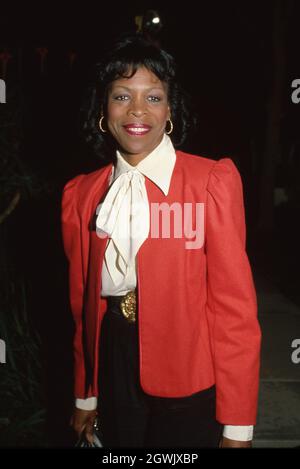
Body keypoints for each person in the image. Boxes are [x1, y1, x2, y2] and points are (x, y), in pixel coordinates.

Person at [61, 34, 261, 448]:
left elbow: (235, 310)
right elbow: (82, 305)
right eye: (121, 96)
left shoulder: (211, 182)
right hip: (113, 364)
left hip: (189, 372)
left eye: (153, 97)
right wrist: (86, 392)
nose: (136, 109)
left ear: (170, 110)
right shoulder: (80, 195)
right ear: (104, 109)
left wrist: (238, 426)